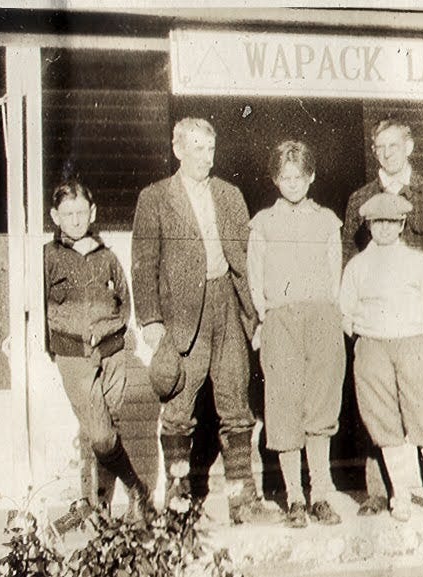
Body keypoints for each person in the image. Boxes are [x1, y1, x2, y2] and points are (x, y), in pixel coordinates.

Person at [131, 117, 282, 525]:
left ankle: (242, 501)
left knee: (236, 401)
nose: (205, 158)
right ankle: (179, 500)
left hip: (228, 304)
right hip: (182, 314)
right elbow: (144, 264)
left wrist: (257, 313)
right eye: (196, 149)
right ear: (178, 150)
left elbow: (248, 258)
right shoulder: (156, 197)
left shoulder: (230, 194)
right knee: (179, 405)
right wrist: (150, 321)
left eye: (209, 150)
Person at [342, 118, 423, 517]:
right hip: (376, 333)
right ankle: (388, 493)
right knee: (382, 410)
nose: (387, 153)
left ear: (408, 147)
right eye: (379, 147)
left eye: (394, 145)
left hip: (420, 328)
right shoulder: (361, 198)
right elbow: (347, 262)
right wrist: (360, 325)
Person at [247, 141, 346, 528]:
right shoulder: (262, 223)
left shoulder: (326, 221)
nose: (292, 184)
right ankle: (295, 499)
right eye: (284, 177)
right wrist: (265, 316)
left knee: (320, 405)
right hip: (280, 320)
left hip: (320, 316)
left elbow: (334, 271)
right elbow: (255, 277)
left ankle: (321, 493)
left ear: (311, 177)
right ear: (275, 179)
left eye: (299, 177)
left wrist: (329, 312)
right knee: (285, 405)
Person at [44, 181, 149, 523]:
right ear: (55, 217)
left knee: (103, 428)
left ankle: (97, 505)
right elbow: (38, 302)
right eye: (68, 214)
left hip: (112, 352)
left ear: (92, 213)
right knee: (100, 433)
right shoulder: (49, 257)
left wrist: (111, 334)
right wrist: (57, 345)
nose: (75, 220)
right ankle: (136, 487)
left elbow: (124, 302)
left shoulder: (107, 257)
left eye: (81, 213)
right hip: (74, 355)